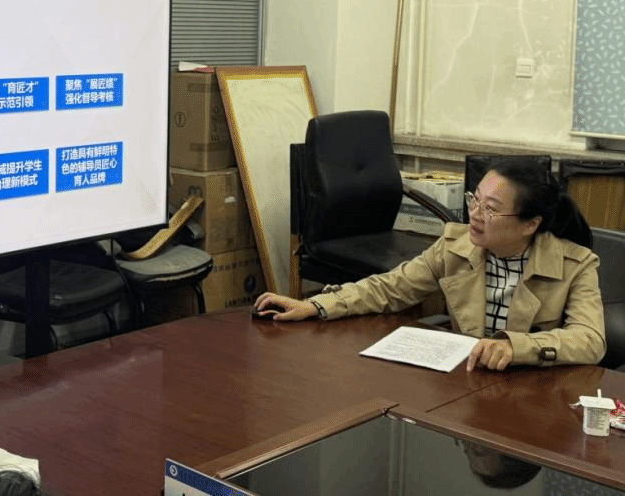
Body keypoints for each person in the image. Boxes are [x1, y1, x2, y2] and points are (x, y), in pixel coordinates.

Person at [253, 158, 606, 370]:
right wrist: (315, 305)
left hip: (534, 392)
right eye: (474, 200)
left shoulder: (575, 265)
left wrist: (516, 347)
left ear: (531, 224)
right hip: (467, 381)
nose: (475, 214)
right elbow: (389, 288)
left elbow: (590, 340)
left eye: (491, 209)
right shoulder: (455, 246)